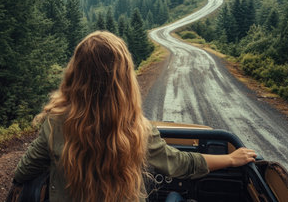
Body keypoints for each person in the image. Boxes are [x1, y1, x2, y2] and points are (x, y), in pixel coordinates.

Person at [13, 31, 257, 202]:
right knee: (174, 197)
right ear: (123, 80)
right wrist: (231, 160)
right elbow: (182, 163)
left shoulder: (55, 125)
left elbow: (22, 173)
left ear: (75, 75)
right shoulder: (137, 131)